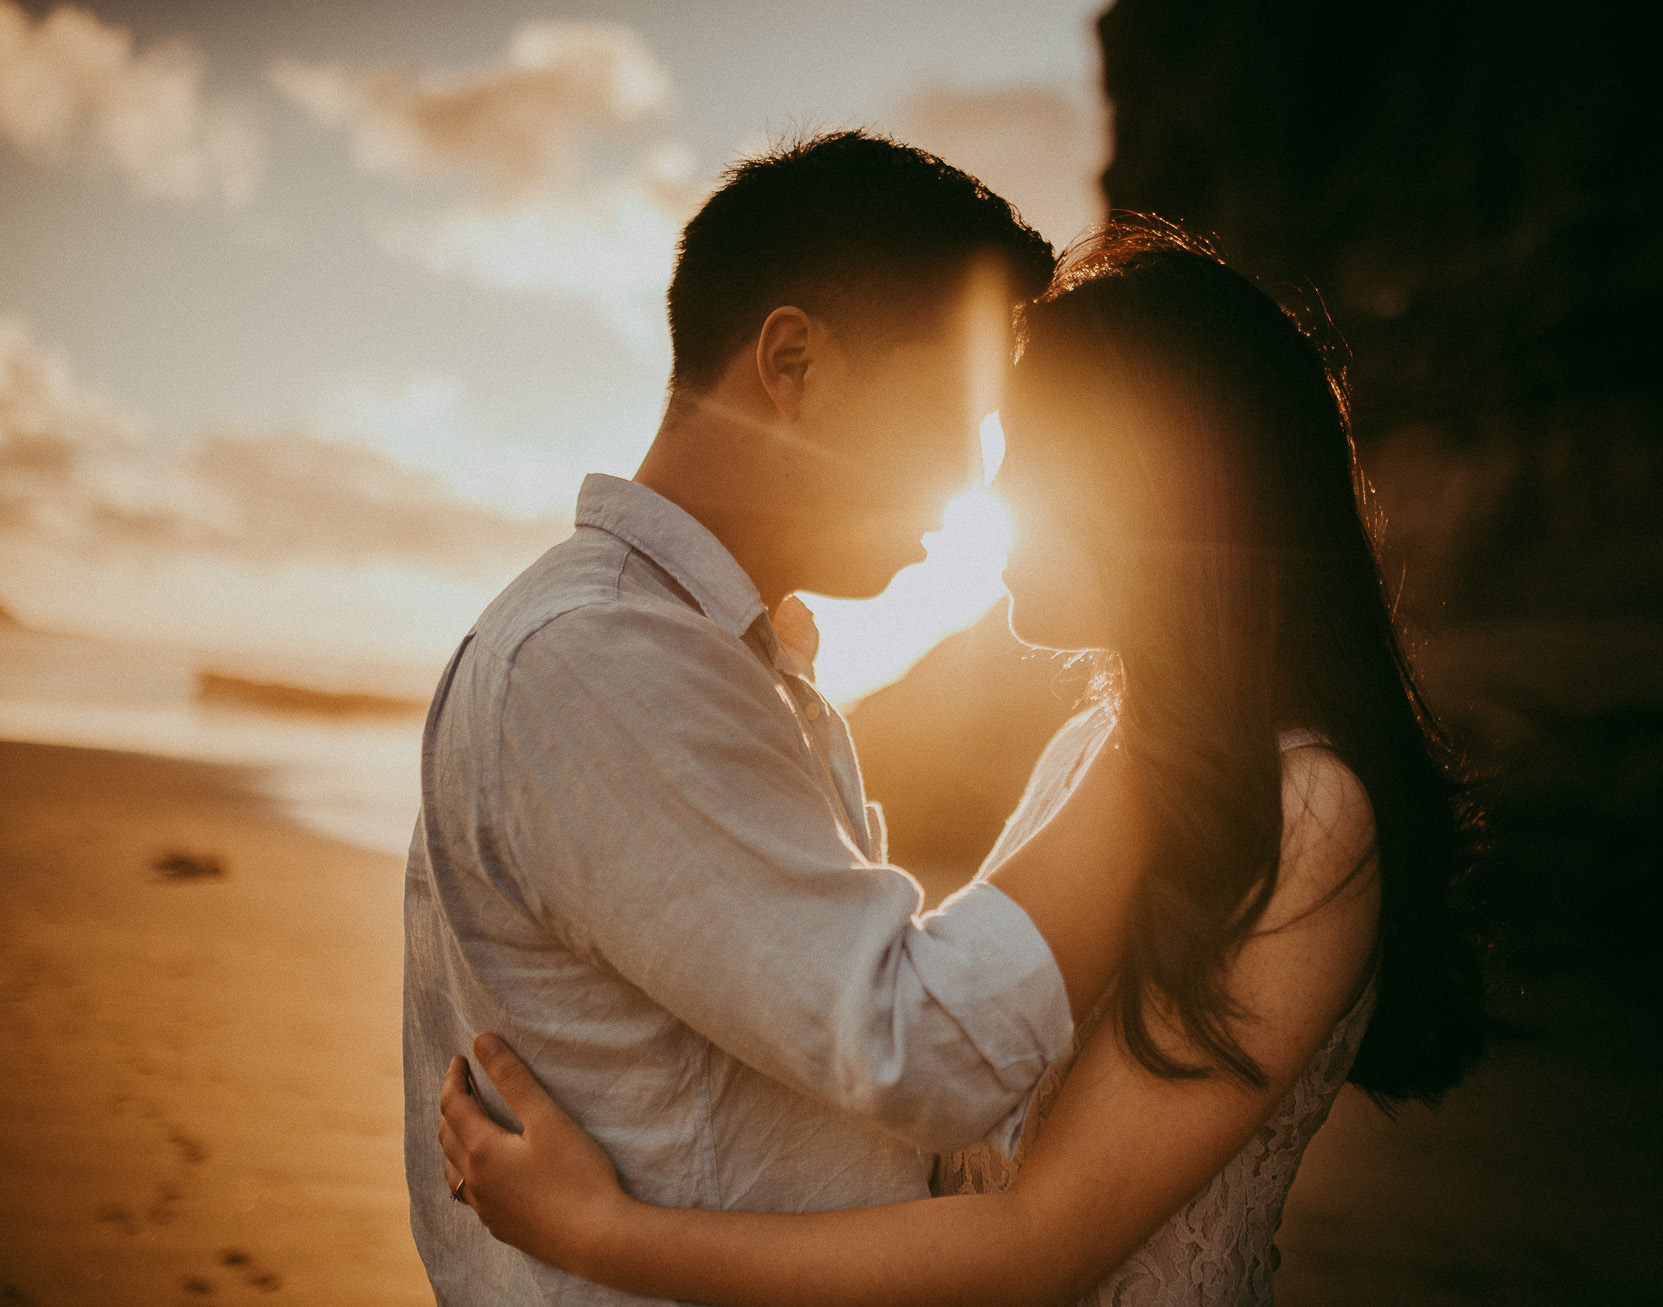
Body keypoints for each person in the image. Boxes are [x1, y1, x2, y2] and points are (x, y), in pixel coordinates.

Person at [436, 224, 1490, 1305]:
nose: (986, 508)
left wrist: (605, 1232)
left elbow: (1041, 1241)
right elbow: (960, 1080)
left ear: (1154, 486)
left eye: (1029, 458)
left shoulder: (1306, 804)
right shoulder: (1106, 750)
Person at [403, 133, 1166, 1306]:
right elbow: (927, 1045)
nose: (969, 482)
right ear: (793, 361)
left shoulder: (736, 661)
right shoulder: (602, 658)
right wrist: (1178, 708)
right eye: (953, 416)